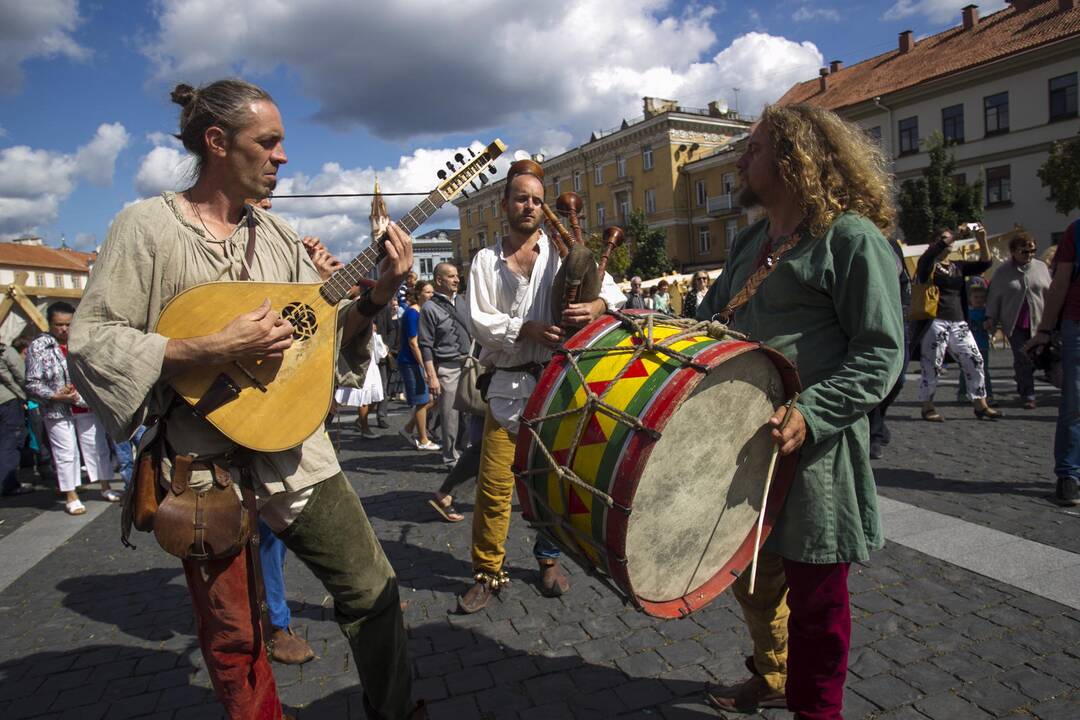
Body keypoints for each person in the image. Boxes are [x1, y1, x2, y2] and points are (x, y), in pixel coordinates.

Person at [67, 79, 421, 720]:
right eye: (269, 142)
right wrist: (207, 348)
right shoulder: (146, 228)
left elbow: (327, 346)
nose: (282, 156)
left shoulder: (281, 237)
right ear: (217, 143)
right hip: (201, 466)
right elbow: (93, 343)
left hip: (294, 450)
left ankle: (397, 712)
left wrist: (375, 298)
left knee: (374, 589)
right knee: (234, 636)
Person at [698, 105, 904, 719]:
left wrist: (812, 413)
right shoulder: (750, 241)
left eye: (753, 148)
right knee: (753, 581)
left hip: (816, 451)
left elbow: (880, 353)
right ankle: (772, 674)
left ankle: (817, 711)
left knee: (819, 608)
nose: (741, 159)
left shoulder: (850, 238)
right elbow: (705, 328)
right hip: (750, 447)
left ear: (793, 160)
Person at [458, 159, 625, 614]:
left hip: (557, 385)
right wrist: (525, 328)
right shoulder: (486, 262)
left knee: (553, 483)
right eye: (520, 198)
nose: (529, 206)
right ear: (504, 203)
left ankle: (549, 561)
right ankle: (487, 570)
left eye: (535, 199)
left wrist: (595, 306)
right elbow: (479, 320)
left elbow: (614, 290)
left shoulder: (560, 249)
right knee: (494, 487)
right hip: (508, 387)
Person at [25, 302, 123, 515]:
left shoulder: (83, 340)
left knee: (97, 447)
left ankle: (105, 486)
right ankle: (71, 494)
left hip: (86, 405)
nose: (64, 329)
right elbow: (32, 382)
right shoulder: (40, 346)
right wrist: (55, 394)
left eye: (68, 324)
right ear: (50, 323)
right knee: (66, 452)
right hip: (57, 408)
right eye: (59, 325)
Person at [912, 225, 1000, 422]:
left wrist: (981, 239)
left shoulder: (956, 266)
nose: (949, 241)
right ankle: (927, 406)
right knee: (932, 364)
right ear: (934, 243)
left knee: (974, 359)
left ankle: (980, 404)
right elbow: (929, 256)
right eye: (944, 238)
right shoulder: (928, 264)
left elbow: (985, 263)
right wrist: (955, 235)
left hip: (958, 321)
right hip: (935, 321)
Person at [1025, 219, 1080, 507]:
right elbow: (1059, 283)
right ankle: (1069, 475)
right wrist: (1044, 330)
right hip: (1078, 324)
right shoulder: (1076, 230)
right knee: (1075, 402)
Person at [986, 232, 1052, 409]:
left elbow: (1051, 293)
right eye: (1024, 251)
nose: (1029, 255)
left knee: (1039, 358)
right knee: (1023, 357)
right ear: (1013, 252)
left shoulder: (1041, 267)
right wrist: (991, 317)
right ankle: (1028, 394)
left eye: (1033, 251)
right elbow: (994, 296)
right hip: (1016, 324)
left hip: (1040, 321)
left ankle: (1023, 380)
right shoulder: (1002, 272)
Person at [419, 262, 471, 467]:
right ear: (439, 280)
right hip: (447, 367)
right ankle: (450, 456)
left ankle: (467, 450)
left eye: (457, 275)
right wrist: (431, 376)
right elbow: (425, 345)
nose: (456, 279)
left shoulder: (464, 302)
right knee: (450, 414)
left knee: (472, 412)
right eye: (451, 276)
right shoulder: (429, 308)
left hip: (469, 364)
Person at [868, 236, 911, 460]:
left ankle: (878, 423)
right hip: (869, 316)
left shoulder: (891, 244)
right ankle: (874, 432)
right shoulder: (858, 238)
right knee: (873, 377)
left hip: (896, 318)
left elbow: (904, 281)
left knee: (899, 379)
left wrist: (904, 310)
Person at [398, 280, 440, 451]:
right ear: (419, 294)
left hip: (419, 361)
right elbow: (413, 342)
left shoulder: (423, 312)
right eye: (428, 292)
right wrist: (425, 366)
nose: (431, 295)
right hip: (412, 362)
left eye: (432, 292)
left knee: (431, 399)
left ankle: (408, 429)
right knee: (423, 400)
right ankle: (422, 439)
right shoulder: (412, 313)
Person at [0, 338, 32, 496]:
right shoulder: (5, 350)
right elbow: (20, 375)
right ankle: (8, 484)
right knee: (10, 442)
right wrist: (26, 395)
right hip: (6, 401)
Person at [959, 280, 995, 404]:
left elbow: (992, 327)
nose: (979, 300)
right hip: (968, 346)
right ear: (970, 298)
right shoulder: (966, 313)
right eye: (976, 297)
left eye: (981, 297)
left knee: (983, 371)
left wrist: (989, 324)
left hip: (982, 345)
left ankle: (988, 394)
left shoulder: (987, 312)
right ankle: (963, 393)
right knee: (966, 369)